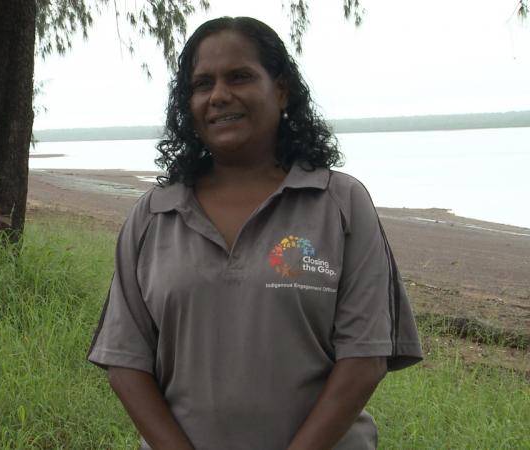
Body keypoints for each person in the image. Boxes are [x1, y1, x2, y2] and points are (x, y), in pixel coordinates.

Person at [88, 16, 423, 450]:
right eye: (202, 84)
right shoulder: (154, 215)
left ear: (281, 89)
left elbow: (364, 358)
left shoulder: (339, 204)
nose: (219, 95)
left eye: (240, 77)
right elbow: (126, 364)